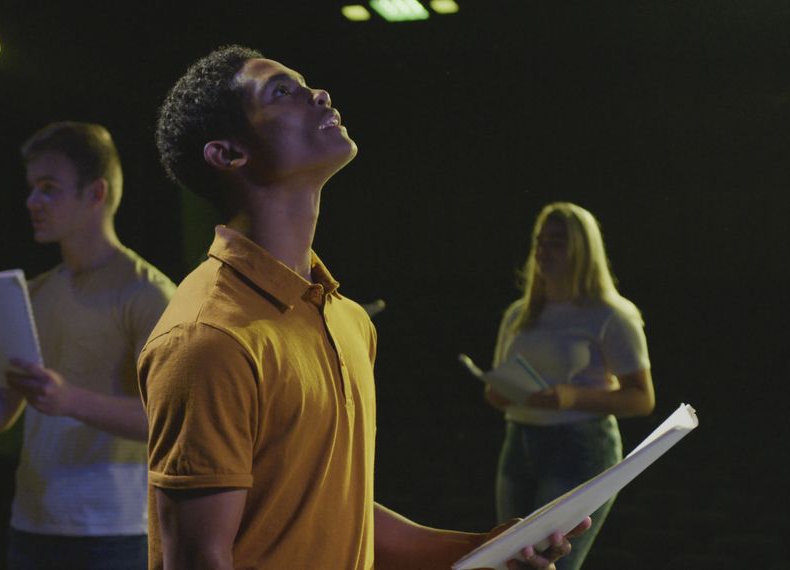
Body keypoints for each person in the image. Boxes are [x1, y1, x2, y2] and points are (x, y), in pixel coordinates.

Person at [139, 45, 589, 570]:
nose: (319, 94)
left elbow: (332, 509)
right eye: (282, 92)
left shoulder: (346, 317)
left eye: (307, 83)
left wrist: (480, 551)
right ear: (229, 154)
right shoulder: (207, 338)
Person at [0, 121, 175, 569]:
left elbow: (173, 420)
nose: (33, 202)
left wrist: (69, 399)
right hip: (33, 526)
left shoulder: (149, 293)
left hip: (117, 530)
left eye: (48, 188)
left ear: (96, 193)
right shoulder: (33, 292)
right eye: (32, 188)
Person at [485, 202, 656, 570]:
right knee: (512, 563)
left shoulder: (611, 315)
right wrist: (499, 392)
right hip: (519, 442)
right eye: (539, 242)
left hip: (580, 446)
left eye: (557, 242)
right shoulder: (519, 313)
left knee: (552, 563)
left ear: (582, 249)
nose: (543, 251)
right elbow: (498, 385)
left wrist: (570, 397)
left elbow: (642, 399)